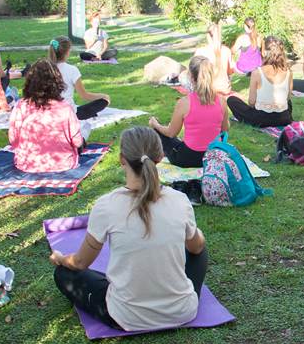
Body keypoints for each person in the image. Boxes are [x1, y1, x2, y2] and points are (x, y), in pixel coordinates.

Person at [50, 126, 208, 332]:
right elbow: (196, 248)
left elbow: (80, 262)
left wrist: (61, 259)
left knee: (64, 274)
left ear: (121, 159)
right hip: (182, 311)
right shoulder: (179, 200)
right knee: (199, 246)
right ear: (160, 157)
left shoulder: (107, 205)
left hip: (126, 316)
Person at [150, 55, 229, 168]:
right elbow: (225, 130)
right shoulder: (221, 101)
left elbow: (171, 133)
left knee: (157, 132)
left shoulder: (184, 103)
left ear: (191, 77)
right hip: (214, 158)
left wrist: (155, 124)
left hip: (188, 159)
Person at [8, 61, 85, 173]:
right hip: (62, 163)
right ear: (56, 82)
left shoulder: (21, 106)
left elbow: (13, 140)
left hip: (27, 164)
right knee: (85, 127)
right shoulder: (65, 108)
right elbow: (77, 142)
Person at [227, 35, 293, 128]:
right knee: (288, 104)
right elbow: (287, 98)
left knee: (231, 100)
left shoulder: (257, 72)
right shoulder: (289, 72)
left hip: (261, 119)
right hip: (284, 118)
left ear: (265, 51)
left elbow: (251, 102)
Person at [49, 36, 111, 121]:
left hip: (47, 112)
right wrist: (103, 96)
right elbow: (85, 95)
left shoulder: (44, 68)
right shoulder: (72, 70)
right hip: (68, 114)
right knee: (104, 100)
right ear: (67, 52)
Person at [188, 23, 235, 95]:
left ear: (208, 36)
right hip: (225, 88)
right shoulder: (227, 50)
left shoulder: (200, 51)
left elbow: (193, 72)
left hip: (208, 90)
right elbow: (231, 71)